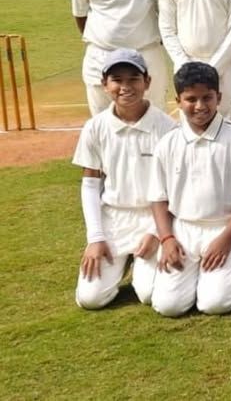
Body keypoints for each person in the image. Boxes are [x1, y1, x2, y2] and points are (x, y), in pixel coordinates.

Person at [148, 62, 231, 317]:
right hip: (183, 230)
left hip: (225, 227)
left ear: (219, 98)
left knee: (215, 304)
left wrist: (226, 238)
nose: (200, 106)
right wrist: (167, 239)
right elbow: (158, 198)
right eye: (191, 99)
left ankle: (226, 271)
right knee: (169, 306)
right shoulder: (167, 143)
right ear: (178, 101)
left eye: (207, 98)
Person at [73, 48, 177, 309]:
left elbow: (176, 188)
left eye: (133, 79)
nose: (125, 87)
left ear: (147, 82)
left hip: (155, 218)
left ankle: (139, 264)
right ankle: (121, 260)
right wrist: (96, 237)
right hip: (114, 219)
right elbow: (90, 184)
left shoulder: (167, 128)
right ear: (104, 84)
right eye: (117, 80)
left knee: (149, 294)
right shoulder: (95, 127)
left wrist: (156, 232)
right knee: (90, 299)